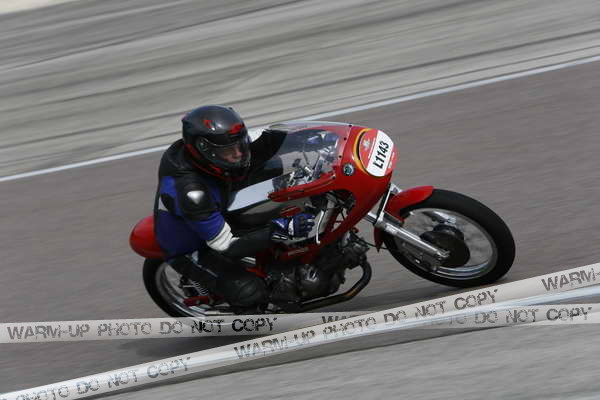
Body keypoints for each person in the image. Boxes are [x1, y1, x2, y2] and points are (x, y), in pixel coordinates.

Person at [153, 105, 315, 311]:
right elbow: (225, 245)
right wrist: (281, 229)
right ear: (205, 150)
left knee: (273, 168)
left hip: (220, 203)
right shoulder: (190, 192)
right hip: (193, 245)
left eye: (240, 145)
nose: (238, 154)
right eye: (229, 150)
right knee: (250, 293)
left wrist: (315, 139)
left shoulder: (222, 147)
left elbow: (268, 138)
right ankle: (246, 317)